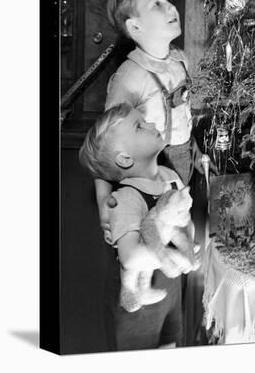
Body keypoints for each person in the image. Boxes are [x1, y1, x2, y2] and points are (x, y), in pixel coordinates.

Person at [79, 102, 199, 350]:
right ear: (124, 158)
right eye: (139, 126)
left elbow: (183, 221)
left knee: (172, 344)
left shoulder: (170, 177)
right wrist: (173, 257)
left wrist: (187, 241)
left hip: (170, 290)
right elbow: (131, 257)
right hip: (137, 303)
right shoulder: (126, 199)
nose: (152, 124)